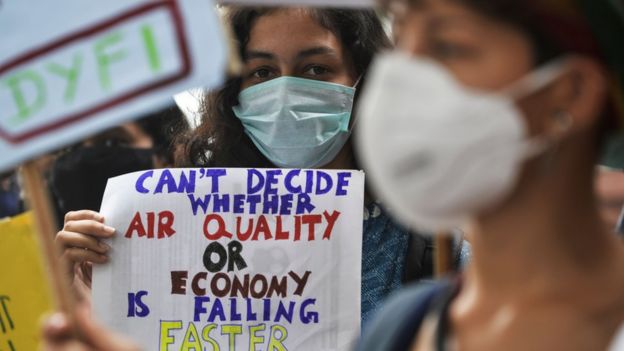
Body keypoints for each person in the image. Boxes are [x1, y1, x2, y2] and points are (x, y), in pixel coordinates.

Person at [56, 6, 441, 328]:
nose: (285, 91)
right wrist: (90, 304)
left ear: (363, 82)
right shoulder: (175, 235)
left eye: (316, 69)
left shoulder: (429, 246)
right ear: (234, 93)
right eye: (262, 72)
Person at [357, 0, 624, 350]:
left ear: (572, 93)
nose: (400, 81)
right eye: (399, 39)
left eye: (448, 46)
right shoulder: (400, 329)